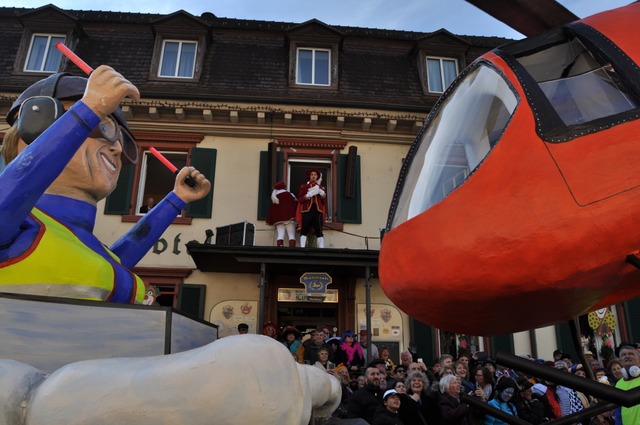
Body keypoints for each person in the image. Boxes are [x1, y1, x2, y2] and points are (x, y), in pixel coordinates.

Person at [0, 67, 211, 304]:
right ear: (36, 128)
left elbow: (115, 262)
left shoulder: (80, 242)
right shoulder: (17, 225)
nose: (118, 149)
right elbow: (13, 189)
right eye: (102, 126)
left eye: (121, 139)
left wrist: (176, 199)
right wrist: (90, 108)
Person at [296, 168, 326, 248]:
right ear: (309, 176)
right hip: (307, 210)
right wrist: (308, 195)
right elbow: (300, 199)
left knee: (319, 230)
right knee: (304, 229)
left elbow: (324, 202)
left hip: (317, 211)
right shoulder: (304, 186)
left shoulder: (321, 187)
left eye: (315, 175)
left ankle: (321, 248)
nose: (313, 176)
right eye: (312, 175)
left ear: (317, 177)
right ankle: (302, 247)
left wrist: (322, 194)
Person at [614, 343, 640, 424]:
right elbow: (618, 413)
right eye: (623, 355)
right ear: (620, 361)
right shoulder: (618, 384)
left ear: (639, 359)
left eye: (631, 354)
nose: (627, 356)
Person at [266, 181, 298, 247]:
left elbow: (271, 210)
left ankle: (280, 249)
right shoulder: (288, 194)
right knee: (291, 235)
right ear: (284, 187)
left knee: (280, 235)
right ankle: (292, 250)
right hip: (289, 218)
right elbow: (295, 204)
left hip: (278, 220)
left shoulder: (274, 197)